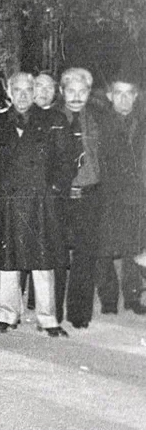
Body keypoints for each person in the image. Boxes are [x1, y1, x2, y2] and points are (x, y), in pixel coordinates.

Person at [0, 72, 76, 337]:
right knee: (8, 259)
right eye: (18, 90)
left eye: (29, 89)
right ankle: (6, 315)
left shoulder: (53, 120)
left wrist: (54, 190)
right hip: (9, 200)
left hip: (41, 200)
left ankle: (48, 318)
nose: (24, 95)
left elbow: (66, 160)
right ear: (9, 92)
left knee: (43, 258)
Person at [55, 67, 107, 330]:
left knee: (86, 256)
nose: (76, 96)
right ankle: (52, 311)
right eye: (71, 91)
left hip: (90, 195)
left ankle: (79, 312)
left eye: (82, 91)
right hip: (61, 196)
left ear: (88, 92)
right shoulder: (52, 118)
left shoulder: (98, 119)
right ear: (62, 91)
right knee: (57, 255)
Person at [96, 75, 146, 314]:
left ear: (136, 97)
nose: (124, 99)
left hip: (136, 194)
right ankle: (108, 298)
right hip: (107, 193)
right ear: (110, 96)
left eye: (129, 93)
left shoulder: (142, 123)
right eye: (118, 93)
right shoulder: (101, 124)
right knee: (104, 247)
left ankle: (133, 296)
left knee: (133, 246)